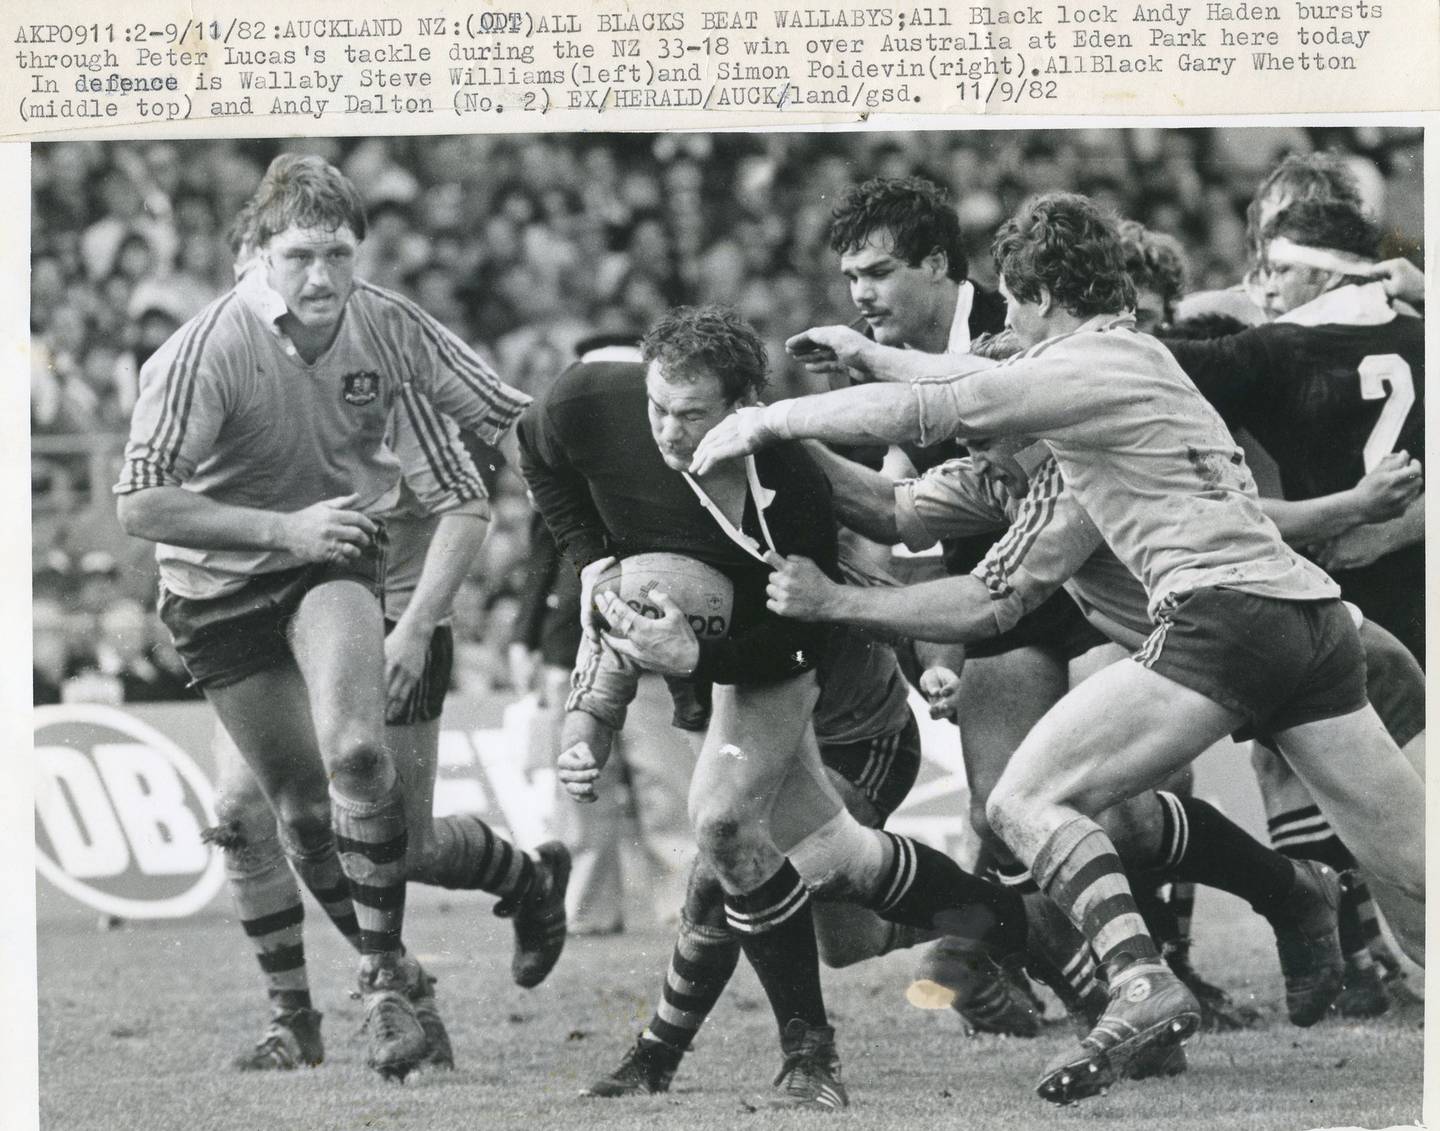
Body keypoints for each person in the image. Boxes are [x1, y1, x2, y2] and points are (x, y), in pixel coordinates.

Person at [690, 193, 1425, 1104]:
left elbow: (952, 414)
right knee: (1416, 871)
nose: (1007, 339)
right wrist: (860, 368)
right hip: (1305, 622)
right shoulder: (1092, 414)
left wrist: (769, 424)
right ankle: (1241, 926)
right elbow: (933, 526)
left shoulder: (1092, 361)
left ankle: (1143, 976)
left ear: (1037, 296)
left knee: (1025, 798)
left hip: (1224, 620)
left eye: (1015, 313)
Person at [519, 305, 1030, 1111]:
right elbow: (537, 458)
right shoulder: (591, 405)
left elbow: (805, 634)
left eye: (691, 414)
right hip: (731, 679)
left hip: (844, 709)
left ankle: (778, 1054)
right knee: (840, 897)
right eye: (658, 405)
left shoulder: (788, 480)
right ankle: (1012, 922)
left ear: (744, 407)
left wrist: (701, 655)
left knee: (724, 839)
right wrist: (590, 567)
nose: (668, 431)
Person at [114, 153, 530, 1081]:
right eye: (300, 254)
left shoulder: (387, 327)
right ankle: (355, 996)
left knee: (356, 756)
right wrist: (281, 527)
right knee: (292, 815)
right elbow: (140, 503)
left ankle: (381, 982)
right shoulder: (199, 351)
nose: (322, 276)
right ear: (255, 255)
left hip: (331, 562)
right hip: (215, 591)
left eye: (340, 254)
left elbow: (511, 418)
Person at [794, 177, 1126, 1035]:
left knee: (1115, 801)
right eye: (850, 276)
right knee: (1001, 811)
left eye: (877, 270)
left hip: (1104, 582)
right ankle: (999, 961)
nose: (861, 293)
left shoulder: (1012, 326)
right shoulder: (907, 354)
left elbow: (985, 416)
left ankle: (1240, 930)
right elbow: (899, 509)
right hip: (1008, 593)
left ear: (938, 262)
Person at [207, 392, 571, 1072]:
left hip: (397, 624)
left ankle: (527, 881)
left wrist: (415, 624)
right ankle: (301, 1015)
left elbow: (467, 511)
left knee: (401, 848)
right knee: (242, 811)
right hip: (275, 623)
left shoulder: (389, 383)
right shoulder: (240, 381)